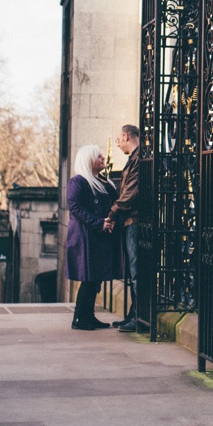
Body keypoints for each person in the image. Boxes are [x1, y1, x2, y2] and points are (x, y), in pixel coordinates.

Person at [66, 144, 120, 330]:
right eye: (98, 156)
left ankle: (88, 316)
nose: (103, 158)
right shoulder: (78, 182)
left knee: (95, 278)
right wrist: (99, 223)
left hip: (100, 237)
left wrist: (111, 221)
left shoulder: (104, 183)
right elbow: (75, 207)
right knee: (88, 279)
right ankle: (79, 318)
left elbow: (116, 204)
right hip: (85, 237)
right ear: (88, 160)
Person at [103, 124, 141, 331]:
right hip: (128, 221)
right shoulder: (134, 158)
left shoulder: (138, 158)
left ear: (126, 136)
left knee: (136, 272)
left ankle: (139, 317)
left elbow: (130, 194)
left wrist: (112, 213)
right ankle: (133, 314)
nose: (117, 143)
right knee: (132, 272)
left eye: (118, 139)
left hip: (134, 221)